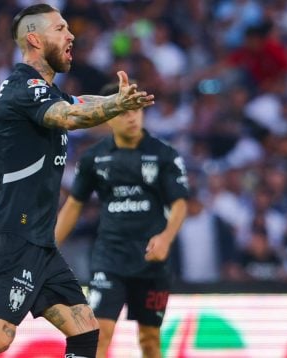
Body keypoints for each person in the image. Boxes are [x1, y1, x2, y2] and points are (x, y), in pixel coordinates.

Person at [0, 4, 154, 358]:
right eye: (61, 28)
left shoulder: (46, 92)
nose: (71, 35)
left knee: (84, 329)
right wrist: (116, 107)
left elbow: (78, 102)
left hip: (37, 239)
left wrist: (116, 100)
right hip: (11, 234)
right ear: (35, 39)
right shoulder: (23, 88)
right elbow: (71, 115)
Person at [55, 82, 189, 358]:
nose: (132, 117)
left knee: (150, 339)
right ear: (109, 117)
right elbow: (73, 205)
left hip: (151, 261)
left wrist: (165, 238)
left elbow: (179, 204)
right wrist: (47, 247)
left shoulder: (164, 154)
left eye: (137, 111)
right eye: (125, 111)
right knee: (100, 334)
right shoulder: (93, 158)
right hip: (110, 258)